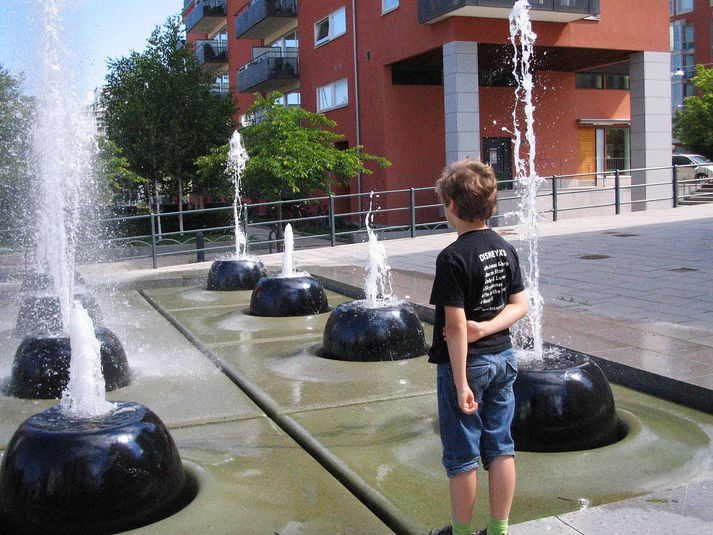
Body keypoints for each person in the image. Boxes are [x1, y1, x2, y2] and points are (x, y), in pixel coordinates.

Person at [428, 158, 528, 535]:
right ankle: (499, 530)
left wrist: (460, 384)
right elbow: (520, 306)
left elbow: (455, 329)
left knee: (462, 455)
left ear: (452, 205)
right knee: (501, 446)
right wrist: (487, 327)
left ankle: (462, 532)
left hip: (467, 366)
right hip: (504, 359)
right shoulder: (504, 248)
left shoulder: (453, 257)